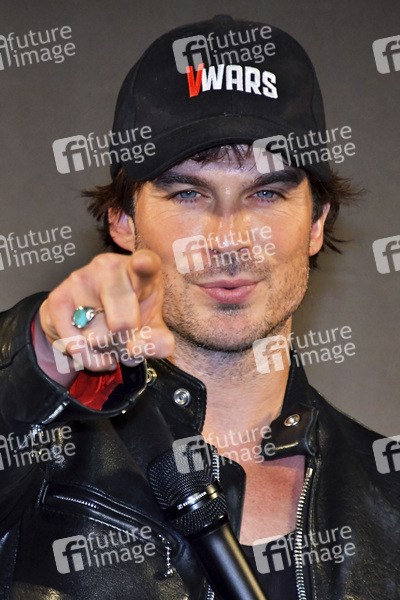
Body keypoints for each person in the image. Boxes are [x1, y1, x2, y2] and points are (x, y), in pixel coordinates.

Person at [0, 14, 399, 600]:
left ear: (317, 223)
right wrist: (36, 351)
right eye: (188, 193)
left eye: (267, 193)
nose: (230, 239)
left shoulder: (387, 498)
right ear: (123, 219)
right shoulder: (34, 459)